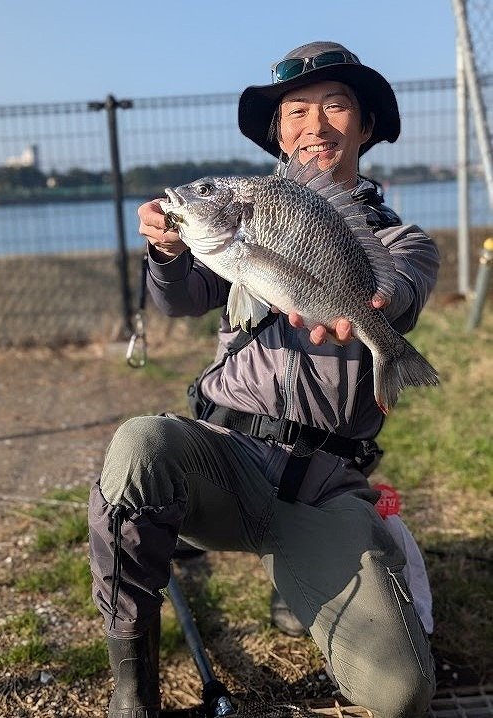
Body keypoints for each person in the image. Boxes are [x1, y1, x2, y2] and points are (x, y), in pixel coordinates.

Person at [88, 41, 439, 718]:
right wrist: (167, 249)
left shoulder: (404, 241)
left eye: (336, 106)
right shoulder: (249, 209)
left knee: (401, 694)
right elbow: (179, 298)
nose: (316, 125)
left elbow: (399, 291)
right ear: (278, 133)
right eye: (297, 112)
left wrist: (371, 306)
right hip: (225, 459)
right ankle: (132, 686)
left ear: (366, 125)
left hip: (321, 485)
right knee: (140, 443)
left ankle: (299, 576)